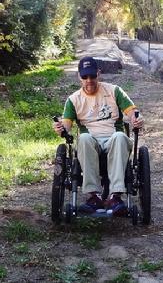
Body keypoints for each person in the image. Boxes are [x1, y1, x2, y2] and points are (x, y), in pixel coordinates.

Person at [53, 56, 144, 216]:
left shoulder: (114, 91)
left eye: (92, 76)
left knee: (120, 137)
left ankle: (115, 197)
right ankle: (93, 197)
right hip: (90, 141)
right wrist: (61, 128)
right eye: (85, 77)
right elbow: (66, 126)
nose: (89, 80)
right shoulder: (73, 100)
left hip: (113, 139)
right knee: (84, 138)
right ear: (79, 77)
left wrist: (136, 119)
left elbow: (132, 112)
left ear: (98, 73)